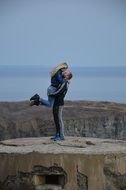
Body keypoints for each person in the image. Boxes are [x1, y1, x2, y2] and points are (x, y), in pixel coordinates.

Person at [49, 70, 73, 141]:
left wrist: (52, 94)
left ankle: (61, 136)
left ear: (67, 76)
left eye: (66, 73)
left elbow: (59, 92)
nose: (64, 73)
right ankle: (57, 134)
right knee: (56, 119)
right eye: (65, 72)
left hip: (59, 104)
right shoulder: (62, 81)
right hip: (56, 102)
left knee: (59, 119)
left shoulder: (65, 82)